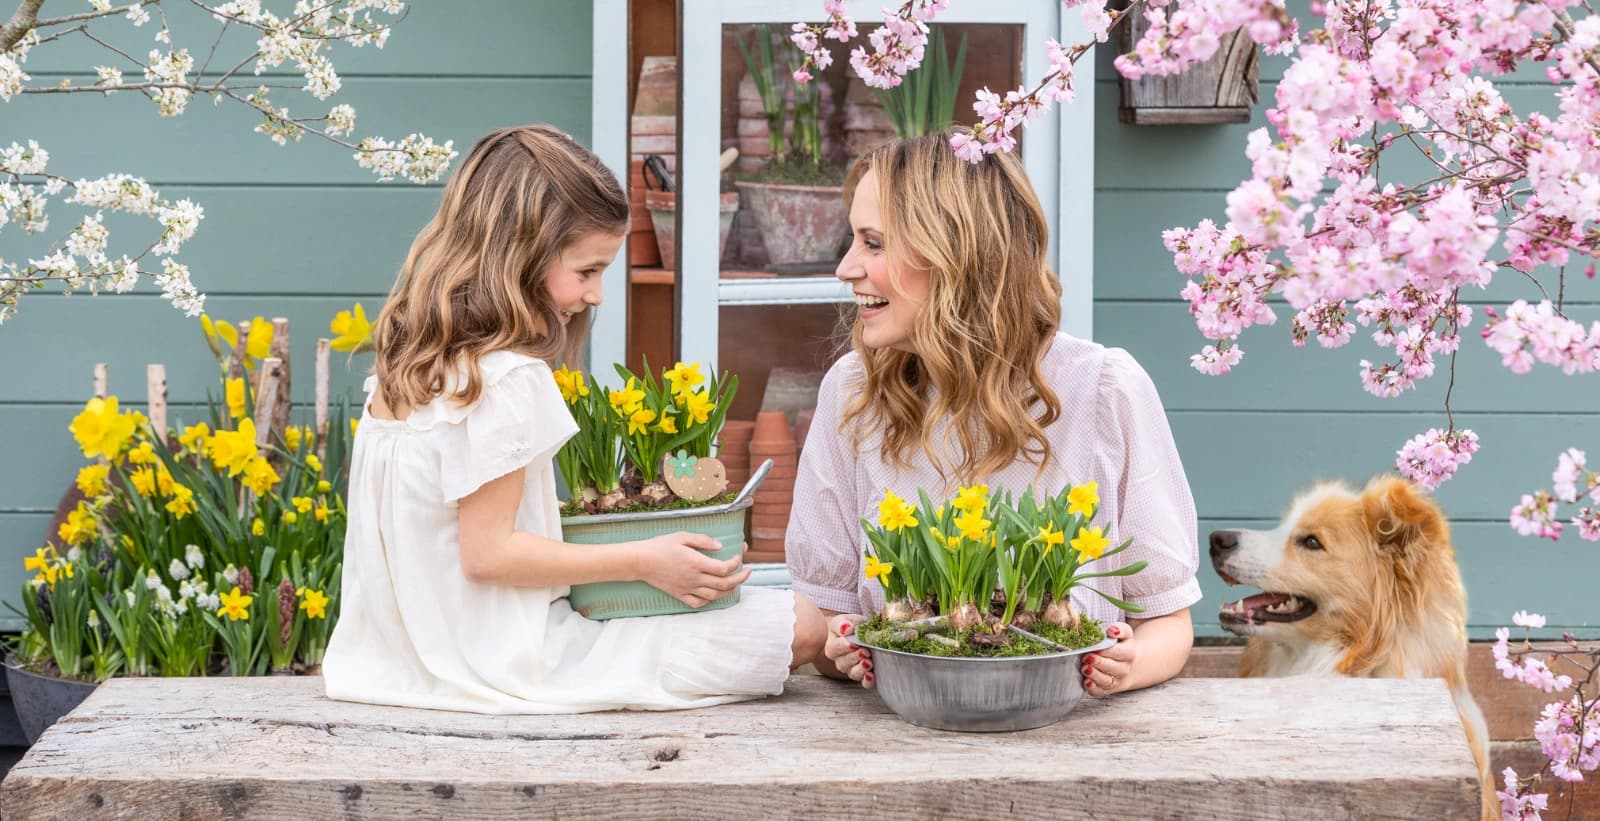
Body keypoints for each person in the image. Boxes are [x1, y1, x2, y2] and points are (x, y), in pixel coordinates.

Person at [323, 125, 827, 713]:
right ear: (522, 256)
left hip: (399, 665)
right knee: (802, 624)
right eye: (587, 271)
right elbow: (488, 555)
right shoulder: (507, 377)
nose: (596, 295)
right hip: (520, 661)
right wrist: (645, 561)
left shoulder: (403, 371)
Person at [791, 132, 1199, 696]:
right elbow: (828, 623)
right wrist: (844, 649)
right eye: (854, 240)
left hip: (1071, 731)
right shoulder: (854, 394)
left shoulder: (1104, 390)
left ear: (955, 252)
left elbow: (1169, 625)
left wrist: (1127, 664)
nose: (845, 268)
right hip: (901, 732)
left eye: (874, 243)